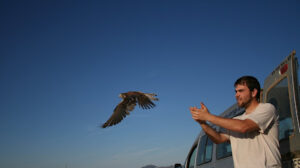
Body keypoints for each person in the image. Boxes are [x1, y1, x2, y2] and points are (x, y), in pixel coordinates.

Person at [190, 76, 281, 168]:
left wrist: (209, 117)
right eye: (236, 91)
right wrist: (202, 123)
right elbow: (219, 138)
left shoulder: (267, 109)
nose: (236, 95)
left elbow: (244, 127)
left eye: (241, 91)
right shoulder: (236, 121)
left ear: (253, 92)